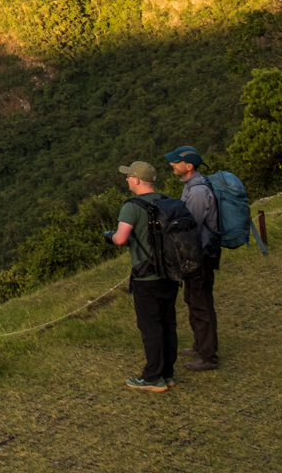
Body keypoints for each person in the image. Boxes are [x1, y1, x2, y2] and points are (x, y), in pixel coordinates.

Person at [107, 160, 179, 391]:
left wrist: (109, 236)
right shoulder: (167, 201)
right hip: (170, 273)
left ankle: (152, 378)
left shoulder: (132, 207)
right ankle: (167, 373)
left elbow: (120, 239)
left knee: (150, 327)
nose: (126, 179)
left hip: (146, 276)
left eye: (128, 176)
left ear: (137, 180)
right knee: (168, 323)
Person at [165, 144, 220, 370]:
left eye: (176, 162)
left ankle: (208, 356)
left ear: (188, 166)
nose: (172, 165)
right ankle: (200, 345)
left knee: (200, 302)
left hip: (202, 253)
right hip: (198, 253)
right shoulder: (192, 186)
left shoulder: (197, 192)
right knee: (193, 298)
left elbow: (191, 226)